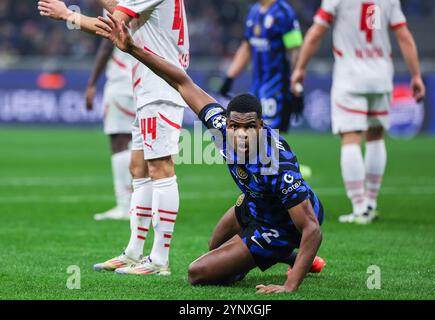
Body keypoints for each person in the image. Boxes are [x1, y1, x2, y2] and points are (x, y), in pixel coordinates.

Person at [95, 13, 325, 293]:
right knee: (214, 245)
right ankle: (279, 255)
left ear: (261, 126)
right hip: (256, 203)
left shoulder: (274, 163)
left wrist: (289, 286)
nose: (241, 134)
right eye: (235, 127)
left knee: (198, 273)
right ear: (225, 124)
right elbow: (181, 82)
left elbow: (312, 228)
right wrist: (132, 49)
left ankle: (284, 250)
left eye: (249, 128)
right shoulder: (219, 126)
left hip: (283, 222)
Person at [38, 0, 190, 275]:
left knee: (160, 168)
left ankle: (159, 260)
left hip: (160, 88)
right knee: (139, 168)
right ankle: (133, 252)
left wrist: (67, 15)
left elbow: (111, 26)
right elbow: (120, 6)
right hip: (147, 87)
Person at [291, 0, 426, 224]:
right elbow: (404, 35)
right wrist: (416, 75)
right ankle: (371, 202)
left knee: (351, 137)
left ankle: (359, 206)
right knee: (375, 136)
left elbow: (316, 33)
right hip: (381, 76)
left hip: (350, 78)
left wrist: (300, 68)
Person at [220, 0, 304, 133]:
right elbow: (247, 46)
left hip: (277, 89)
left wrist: (296, 86)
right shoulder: (254, 11)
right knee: (252, 134)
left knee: (271, 135)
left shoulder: (283, 13)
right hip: (256, 88)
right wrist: (229, 78)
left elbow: (295, 50)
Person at [86, 32, 135, 221]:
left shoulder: (118, 7)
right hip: (142, 80)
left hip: (121, 82)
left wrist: (92, 83)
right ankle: (140, 203)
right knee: (138, 140)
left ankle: (125, 206)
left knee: (119, 141)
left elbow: (107, 45)